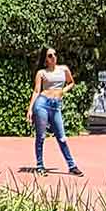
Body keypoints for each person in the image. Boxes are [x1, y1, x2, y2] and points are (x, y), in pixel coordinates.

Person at [29, 48, 84, 176]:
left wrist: (62, 91)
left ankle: (72, 166)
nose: (53, 57)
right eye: (50, 55)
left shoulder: (63, 69)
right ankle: (40, 166)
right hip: (42, 104)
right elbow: (36, 91)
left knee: (62, 138)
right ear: (45, 60)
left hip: (56, 106)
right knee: (41, 137)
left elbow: (71, 83)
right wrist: (30, 108)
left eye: (55, 54)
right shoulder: (41, 73)